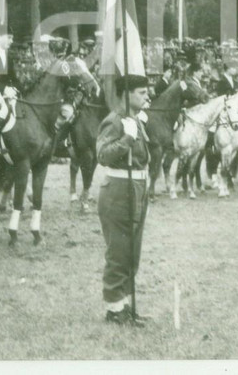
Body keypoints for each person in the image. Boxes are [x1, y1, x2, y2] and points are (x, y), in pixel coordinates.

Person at [97, 74, 152, 326]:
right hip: (119, 189)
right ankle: (114, 309)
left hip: (137, 187)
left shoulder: (135, 120)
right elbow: (103, 155)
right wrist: (127, 139)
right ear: (127, 94)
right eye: (141, 92)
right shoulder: (115, 121)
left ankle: (127, 305)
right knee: (119, 251)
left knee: (133, 252)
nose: (147, 96)